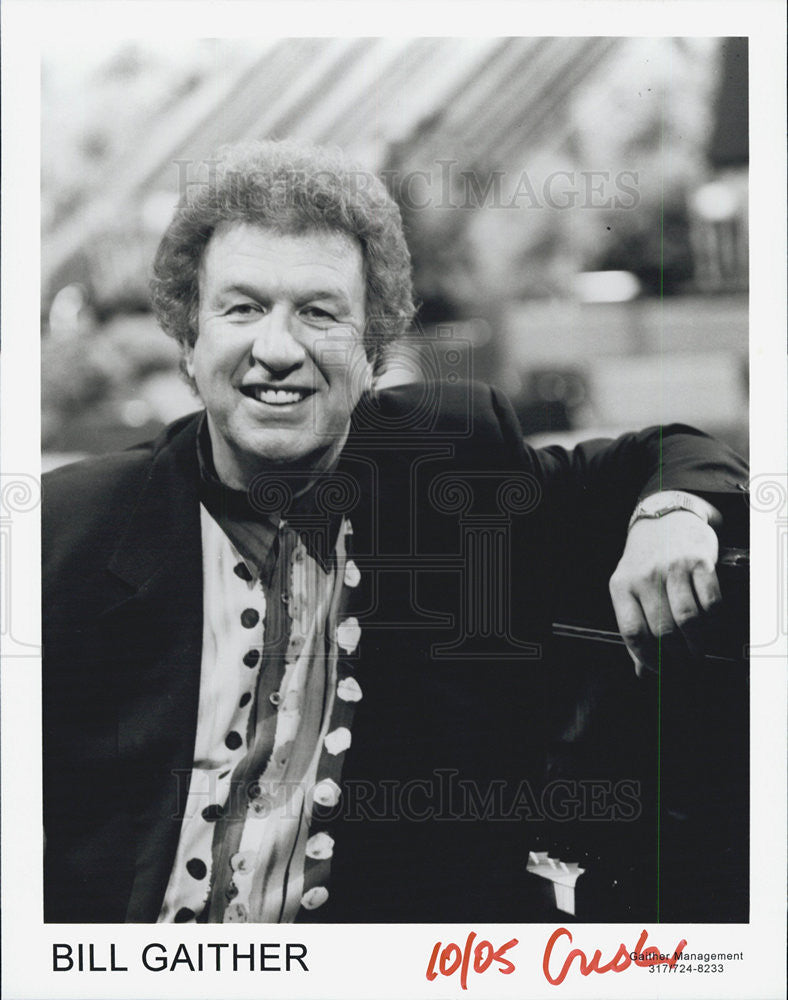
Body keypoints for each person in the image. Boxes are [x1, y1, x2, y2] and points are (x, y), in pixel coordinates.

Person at [42, 139, 748, 924]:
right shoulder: (67, 533)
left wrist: (670, 512)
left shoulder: (452, 471)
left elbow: (672, 453)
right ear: (188, 341)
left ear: (375, 350)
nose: (277, 350)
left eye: (319, 313)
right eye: (242, 308)